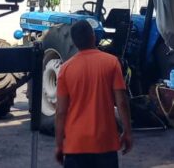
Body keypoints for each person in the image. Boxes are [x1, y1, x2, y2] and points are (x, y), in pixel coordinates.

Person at [55, 20, 132, 168]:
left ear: (75, 42)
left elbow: (61, 111)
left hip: (76, 145)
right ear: (93, 36)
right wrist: (127, 131)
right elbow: (121, 102)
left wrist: (59, 144)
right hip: (105, 143)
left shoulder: (65, 69)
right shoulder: (112, 63)